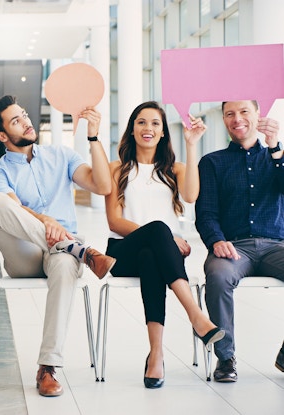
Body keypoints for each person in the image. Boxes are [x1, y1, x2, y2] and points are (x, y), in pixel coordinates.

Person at [0, 94, 115, 397]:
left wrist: (93, 137)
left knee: (65, 263)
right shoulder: (0, 171)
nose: (27, 122)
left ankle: (47, 367)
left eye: (25, 115)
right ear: (2, 135)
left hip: (60, 255)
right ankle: (80, 249)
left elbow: (103, 186)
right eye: (16, 120)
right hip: (25, 255)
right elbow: (11, 208)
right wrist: (46, 220)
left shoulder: (62, 155)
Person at [105, 101, 224, 389]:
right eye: (142, 122)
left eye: (155, 123)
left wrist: (192, 144)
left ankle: (156, 355)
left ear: (162, 132)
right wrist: (166, 236)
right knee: (159, 231)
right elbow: (114, 222)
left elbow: (192, 197)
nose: (148, 128)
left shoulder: (176, 168)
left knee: (151, 257)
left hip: (158, 257)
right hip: (122, 253)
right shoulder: (117, 168)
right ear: (132, 130)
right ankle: (196, 317)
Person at [195, 100, 284, 383]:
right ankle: (225, 357)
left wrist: (276, 148)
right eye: (230, 114)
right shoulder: (212, 162)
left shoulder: (277, 155)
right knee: (218, 276)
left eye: (244, 111)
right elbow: (206, 213)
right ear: (223, 119)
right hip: (233, 247)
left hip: (277, 245)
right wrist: (216, 240)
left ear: (258, 115)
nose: (237, 119)